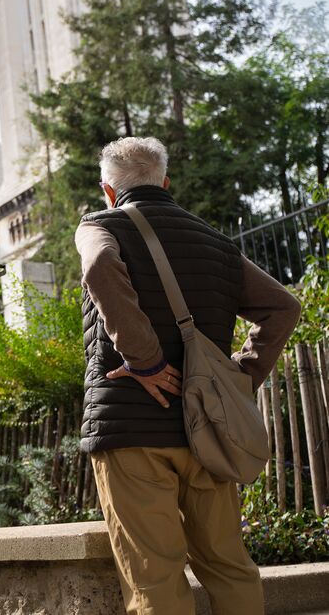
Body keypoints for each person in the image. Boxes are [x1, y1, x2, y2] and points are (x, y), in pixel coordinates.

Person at [76, 136, 300, 615]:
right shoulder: (216, 242)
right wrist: (240, 376)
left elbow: (98, 266)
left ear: (108, 190)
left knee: (154, 578)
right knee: (228, 565)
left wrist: (146, 360)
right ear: (165, 181)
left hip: (131, 431)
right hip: (206, 431)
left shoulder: (101, 225)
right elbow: (283, 306)